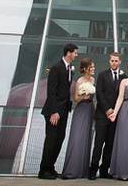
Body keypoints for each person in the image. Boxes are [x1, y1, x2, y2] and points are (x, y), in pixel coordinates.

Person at [39, 43, 79, 180]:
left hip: (63, 110)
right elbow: (51, 91)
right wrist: (54, 112)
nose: (76, 55)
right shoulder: (56, 68)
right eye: (75, 52)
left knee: (59, 139)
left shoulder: (69, 69)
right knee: (51, 140)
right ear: (68, 53)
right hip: (54, 111)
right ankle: (43, 170)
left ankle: (51, 167)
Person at [90, 52, 123, 180]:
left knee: (110, 144)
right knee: (98, 143)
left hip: (115, 116)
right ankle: (93, 169)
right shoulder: (102, 75)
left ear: (120, 61)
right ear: (109, 62)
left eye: (116, 61)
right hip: (102, 115)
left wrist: (115, 111)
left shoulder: (123, 77)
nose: (114, 63)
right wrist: (107, 109)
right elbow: (99, 94)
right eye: (112, 61)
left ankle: (104, 170)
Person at [61, 58, 96, 178]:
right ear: (85, 68)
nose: (93, 69)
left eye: (93, 67)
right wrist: (84, 97)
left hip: (90, 109)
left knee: (87, 138)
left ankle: (82, 170)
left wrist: (94, 110)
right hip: (81, 110)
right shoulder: (79, 81)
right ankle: (71, 170)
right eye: (91, 67)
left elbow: (93, 98)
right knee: (77, 138)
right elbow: (75, 99)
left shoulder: (93, 79)